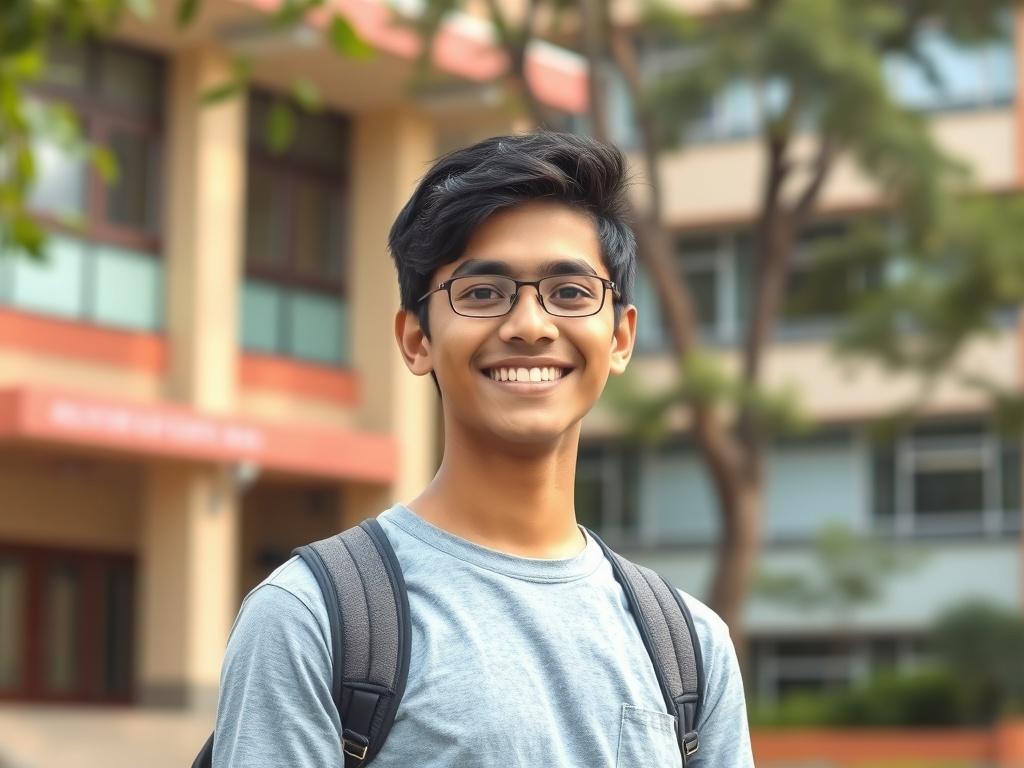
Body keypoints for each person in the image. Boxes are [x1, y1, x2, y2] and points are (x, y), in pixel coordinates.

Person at [212, 132, 755, 767]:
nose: (529, 325)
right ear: (416, 339)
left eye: (572, 293)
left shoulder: (691, 647)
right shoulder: (312, 618)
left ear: (621, 337)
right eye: (481, 293)